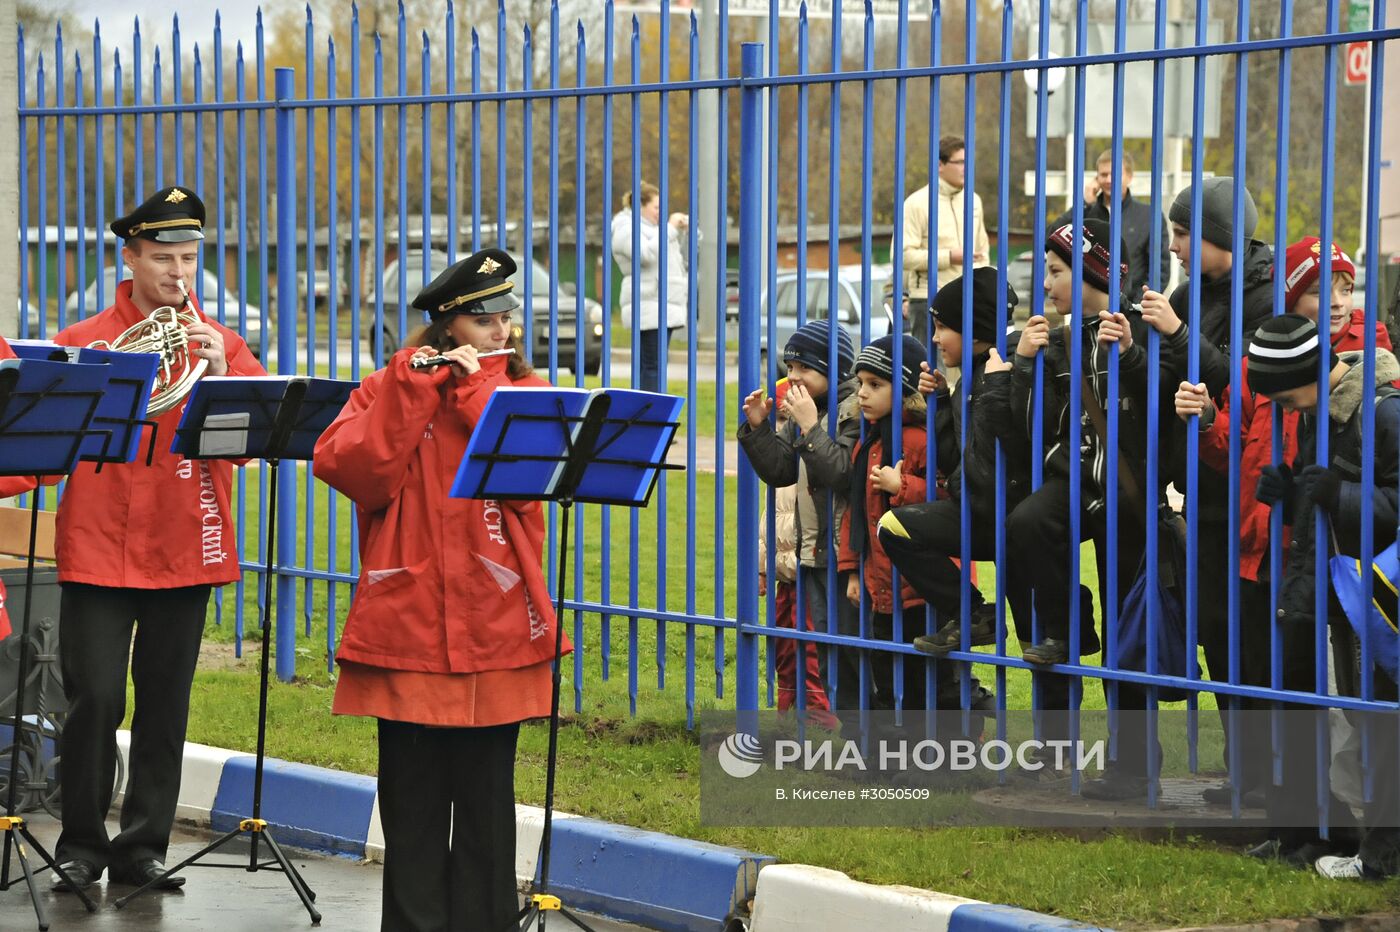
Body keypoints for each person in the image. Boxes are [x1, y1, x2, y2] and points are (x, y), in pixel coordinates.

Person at [313, 248, 562, 930]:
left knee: (487, 806)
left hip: (496, 621)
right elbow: (352, 470)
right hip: (408, 624)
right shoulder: (387, 385)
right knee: (413, 808)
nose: (501, 332)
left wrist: (476, 386)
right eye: (485, 322)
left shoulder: (526, 391)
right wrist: (412, 391)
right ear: (450, 326)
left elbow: (524, 482)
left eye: (506, 317)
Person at [35, 186, 265, 892]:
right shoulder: (84, 343)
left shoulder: (221, 344)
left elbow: (251, 447)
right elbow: (44, 446)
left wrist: (223, 377)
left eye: (189, 258)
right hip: (101, 545)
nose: (179, 273)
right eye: (163, 257)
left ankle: (143, 848)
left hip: (183, 543)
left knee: (166, 703)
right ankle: (80, 843)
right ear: (129, 257)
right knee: (95, 699)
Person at [1174, 237, 1395, 810]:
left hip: (1330, 549)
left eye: (1347, 288)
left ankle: (1339, 810)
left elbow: (1366, 468)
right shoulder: (1260, 361)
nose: (1340, 302)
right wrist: (1205, 422)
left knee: (1337, 684)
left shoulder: (1367, 366)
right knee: (1262, 672)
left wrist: (1323, 494)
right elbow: (1232, 445)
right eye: (1323, 291)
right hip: (1259, 538)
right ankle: (1271, 791)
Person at [1006, 219, 1182, 800]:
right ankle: (1067, 624)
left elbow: (1166, 398)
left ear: (1092, 273)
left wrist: (1129, 351)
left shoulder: (1142, 327)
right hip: (1076, 481)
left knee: (1127, 629)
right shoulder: (1056, 340)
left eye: (1056, 272)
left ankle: (1133, 767)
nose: (1047, 284)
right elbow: (1032, 428)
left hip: (1131, 496)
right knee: (1026, 523)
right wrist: (1026, 366)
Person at [1240, 314, 1400, 879]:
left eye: (1286, 395)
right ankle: (1332, 837)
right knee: (1355, 718)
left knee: (1382, 722)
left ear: (1312, 373)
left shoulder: (1383, 413)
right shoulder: (1321, 415)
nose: (1285, 409)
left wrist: (1340, 494)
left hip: (1380, 602)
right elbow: (1324, 498)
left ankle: (1382, 855)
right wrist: (1293, 491)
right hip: (1338, 591)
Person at [879, 268, 1026, 659]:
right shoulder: (966, 381)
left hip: (1017, 523)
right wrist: (943, 404)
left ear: (974, 330)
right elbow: (961, 456)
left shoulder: (1012, 368)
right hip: (978, 511)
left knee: (1038, 646)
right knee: (894, 528)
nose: (936, 338)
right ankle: (973, 614)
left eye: (944, 327)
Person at [738, 320, 862, 720]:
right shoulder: (806, 412)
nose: (792, 378)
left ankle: (869, 742)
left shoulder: (854, 411)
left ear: (833, 368)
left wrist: (810, 426)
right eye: (789, 368)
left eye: (803, 369)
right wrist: (758, 428)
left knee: (853, 653)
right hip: (813, 554)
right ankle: (848, 739)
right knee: (827, 655)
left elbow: (842, 473)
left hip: (848, 555)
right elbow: (781, 472)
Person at [837, 335, 935, 712]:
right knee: (883, 670)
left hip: (922, 588)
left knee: (924, 676)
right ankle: (889, 755)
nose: (862, 393)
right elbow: (856, 512)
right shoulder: (870, 442)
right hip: (880, 583)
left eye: (875, 385)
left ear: (907, 389)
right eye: (860, 383)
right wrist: (851, 571)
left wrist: (903, 486)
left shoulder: (921, 440)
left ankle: (939, 752)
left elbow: (944, 499)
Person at [759, 378, 840, 730]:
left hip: (806, 569)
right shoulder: (781, 467)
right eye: (780, 421)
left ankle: (820, 712)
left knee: (810, 648)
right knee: (784, 647)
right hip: (784, 575)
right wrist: (764, 568)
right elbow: (768, 525)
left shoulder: (808, 465)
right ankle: (787, 706)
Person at [902, 136, 990, 347]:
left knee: (968, 372)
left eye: (968, 162)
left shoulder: (974, 200)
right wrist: (949, 256)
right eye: (959, 162)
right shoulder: (917, 203)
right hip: (929, 298)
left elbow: (982, 251)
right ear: (940, 165)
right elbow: (902, 256)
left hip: (969, 298)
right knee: (931, 372)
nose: (965, 168)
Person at [1049, 149, 1171, 298]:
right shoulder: (1086, 212)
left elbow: (1160, 270)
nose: (1108, 179)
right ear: (1096, 178)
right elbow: (1050, 239)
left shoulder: (1149, 216)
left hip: (1132, 309)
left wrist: (1135, 307)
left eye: (1115, 173)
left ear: (1129, 177)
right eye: (1103, 174)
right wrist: (1084, 204)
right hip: (1090, 308)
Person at [611, 181, 693, 393]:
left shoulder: (653, 230)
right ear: (640, 205)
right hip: (650, 307)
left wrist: (682, 230)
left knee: (652, 366)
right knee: (652, 368)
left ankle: (645, 415)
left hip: (661, 306)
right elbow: (644, 255)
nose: (660, 212)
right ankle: (650, 417)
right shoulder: (625, 227)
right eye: (656, 207)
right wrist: (670, 228)